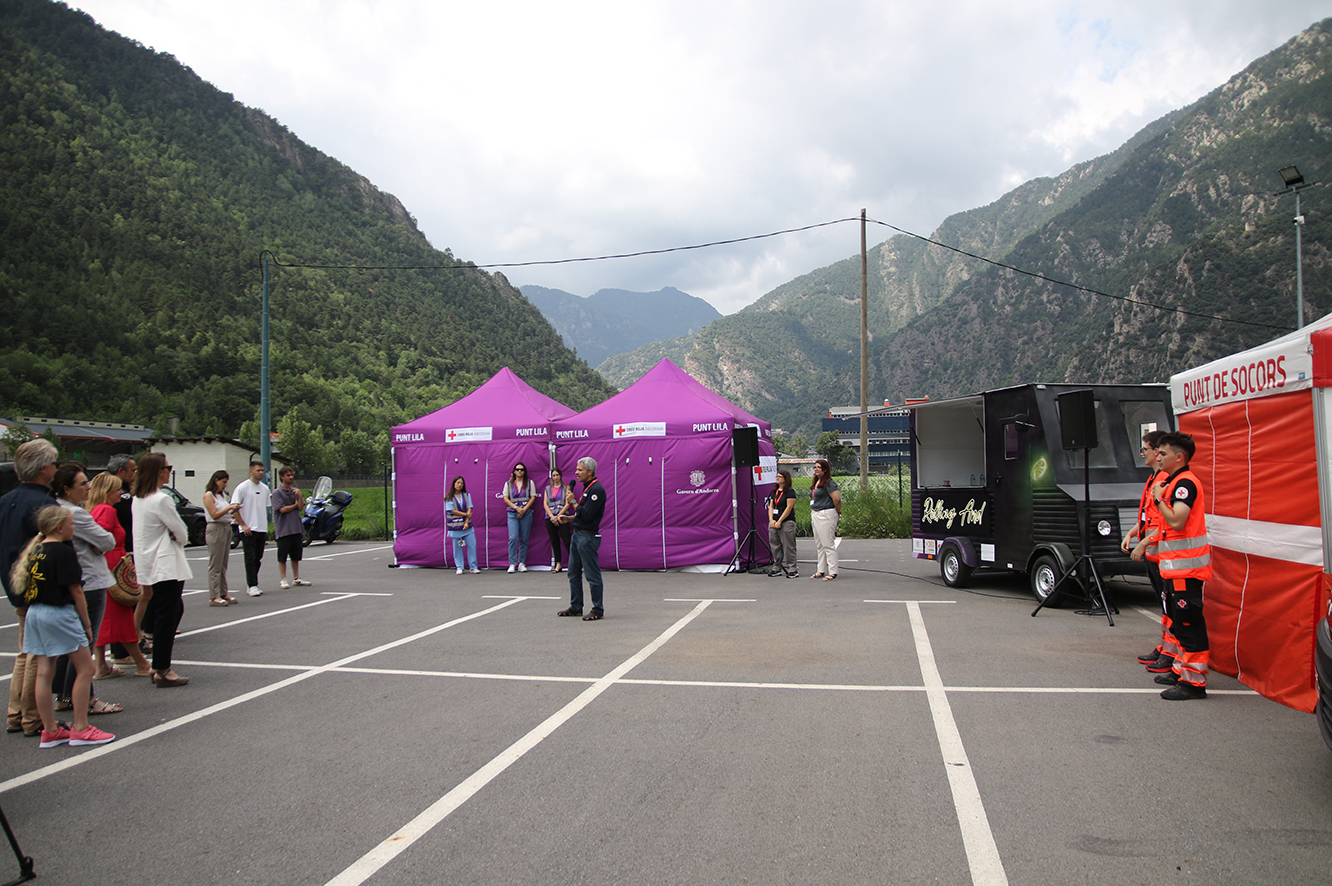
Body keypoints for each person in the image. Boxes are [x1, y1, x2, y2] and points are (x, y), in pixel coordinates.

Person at [10, 506, 115, 748]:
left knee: (44, 671)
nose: (74, 527)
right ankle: (80, 728)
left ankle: (50, 730)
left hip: (35, 613)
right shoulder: (63, 551)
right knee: (85, 668)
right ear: (59, 527)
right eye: (71, 524)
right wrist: (86, 624)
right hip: (59, 613)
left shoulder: (35, 550)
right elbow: (76, 590)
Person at [52, 463, 121, 715]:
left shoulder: (54, 509)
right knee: (84, 643)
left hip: (67, 581)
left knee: (66, 645)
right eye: (82, 484)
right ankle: (85, 699)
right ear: (67, 489)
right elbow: (106, 540)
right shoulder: (76, 514)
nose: (88, 487)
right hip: (89, 581)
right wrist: (99, 542)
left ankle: (63, 695)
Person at [2, 439, 58, 737]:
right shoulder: (44, 504)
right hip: (38, 587)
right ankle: (32, 716)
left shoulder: (5, 500)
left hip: (14, 584)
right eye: (53, 463)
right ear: (43, 468)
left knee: (25, 651)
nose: (55, 468)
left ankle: (16, 712)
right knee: (38, 653)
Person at [1151, 431, 1211, 701]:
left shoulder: (1185, 483)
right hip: (1174, 570)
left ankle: (1193, 684)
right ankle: (1179, 671)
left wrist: (1159, 499)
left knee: (1189, 626)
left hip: (1186, 571)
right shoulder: (1175, 482)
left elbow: (1177, 521)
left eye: (1163, 453)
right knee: (1178, 624)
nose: (1158, 457)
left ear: (1179, 457)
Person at [133, 452, 192, 687]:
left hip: (149, 562)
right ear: (159, 471)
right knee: (169, 615)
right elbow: (181, 532)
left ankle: (160, 665)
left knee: (166, 612)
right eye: (168, 467)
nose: (169, 471)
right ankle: (162, 668)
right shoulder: (161, 499)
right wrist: (177, 537)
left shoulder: (139, 499)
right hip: (166, 564)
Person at [1123, 430, 1178, 672]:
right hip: (1153, 554)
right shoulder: (1153, 478)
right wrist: (1133, 532)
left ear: (1157, 452)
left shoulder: (1164, 480)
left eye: (1145, 449)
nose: (1142, 453)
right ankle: (1166, 646)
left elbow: (1165, 523)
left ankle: (1172, 651)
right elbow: (1148, 517)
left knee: (1170, 606)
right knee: (1163, 604)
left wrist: (1145, 542)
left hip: (1163, 555)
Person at [88, 472, 151, 677]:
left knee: (104, 618)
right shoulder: (107, 510)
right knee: (122, 616)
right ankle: (141, 663)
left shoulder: (97, 509)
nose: (121, 492)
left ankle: (101, 666)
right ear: (107, 492)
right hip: (113, 566)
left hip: (105, 565)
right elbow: (100, 537)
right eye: (117, 489)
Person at [556, 457, 606, 621]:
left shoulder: (596, 490)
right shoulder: (586, 488)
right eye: (576, 469)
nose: (576, 473)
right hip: (577, 534)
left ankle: (597, 609)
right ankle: (576, 606)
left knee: (592, 574)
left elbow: (586, 514)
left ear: (590, 472)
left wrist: (572, 502)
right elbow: (581, 514)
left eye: (580, 470)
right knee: (573, 573)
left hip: (587, 536)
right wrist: (569, 519)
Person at [231, 460, 271, 596]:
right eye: (258, 470)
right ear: (251, 471)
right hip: (248, 529)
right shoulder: (242, 488)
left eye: (262, 470)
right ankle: (252, 584)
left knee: (258, 558)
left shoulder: (265, 489)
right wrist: (243, 524)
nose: (260, 473)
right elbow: (234, 508)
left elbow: (264, 508)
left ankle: (253, 582)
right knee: (250, 557)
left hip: (261, 528)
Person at [202, 470, 241, 605]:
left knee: (223, 563)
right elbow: (214, 514)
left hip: (226, 527)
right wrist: (229, 507)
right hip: (215, 528)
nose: (225, 485)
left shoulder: (220, 496)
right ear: (216, 480)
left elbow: (224, 512)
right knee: (215, 564)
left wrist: (233, 509)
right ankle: (214, 595)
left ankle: (223, 592)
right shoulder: (209, 495)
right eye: (223, 482)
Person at [272, 467, 310, 589]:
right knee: (282, 555)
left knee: (296, 555)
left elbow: (300, 508)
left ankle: (296, 578)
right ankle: (283, 578)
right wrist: (294, 505)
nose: (290, 477)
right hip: (283, 529)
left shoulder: (295, 491)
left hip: (296, 527)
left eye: (292, 475)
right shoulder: (277, 493)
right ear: (282, 477)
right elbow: (282, 509)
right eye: (288, 475)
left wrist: (299, 496)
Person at [809, 458, 842, 580]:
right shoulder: (817, 482)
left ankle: (833, 571)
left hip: (826, 513)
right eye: (815, 467)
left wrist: (837, 511)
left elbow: (837, 499)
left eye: (819, 467)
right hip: (816, 513)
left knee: (828, 544)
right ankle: (820, 569)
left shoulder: (829, 483)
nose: (816, 469)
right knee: (819, 544)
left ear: (825, 469)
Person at [503, 462, 537, 573]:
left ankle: (521, 563)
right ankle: (512, 563)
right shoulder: (508, 484)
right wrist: (517, 508)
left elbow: (532, 497)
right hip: (513, 513)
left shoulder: (529, 483)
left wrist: (524, 509)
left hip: (526, 512)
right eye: (517, 469)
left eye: (522, 469)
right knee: (513, 538)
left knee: (524, 538)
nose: (519, 471)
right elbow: (506, 498)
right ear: (514, 471)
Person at [445, 475, 479, 574]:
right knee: (457, 548)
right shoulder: (449, 497)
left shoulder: (467, 496)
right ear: (454, 484)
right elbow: (451, 511)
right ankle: (459, 567)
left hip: (467, 526)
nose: (459, 485)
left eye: (461, 483)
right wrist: (465, 514)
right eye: (458, 483)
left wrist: (466, 522)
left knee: (472, 545)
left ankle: (473, 567)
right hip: (455, 526)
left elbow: (469, 508)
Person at [767, 469, 798, 578]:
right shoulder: (774, 491)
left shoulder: (790, 491)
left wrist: (780, 521)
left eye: (780, 476)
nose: (777, 478)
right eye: (777, 476)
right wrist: (771, 520)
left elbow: (789, 507)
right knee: (775, 545)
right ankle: (777, 566)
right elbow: (771, 506)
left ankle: (792, 568)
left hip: (786, 521)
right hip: (774, 522)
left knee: (788, 545)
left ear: (786, 479)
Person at [543, 467, 573, 573]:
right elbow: (545, 504)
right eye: (554, 475)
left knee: (567, 540)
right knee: (554, 541)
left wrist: (559, 515)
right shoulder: (547, 489)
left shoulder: (566, 488)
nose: (556, 477)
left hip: (562, 517)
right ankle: (558, 563)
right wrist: (552, 516)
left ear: (560, 476)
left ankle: (574, 563)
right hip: (550, 518)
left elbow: (568, 503)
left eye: (557, 475)